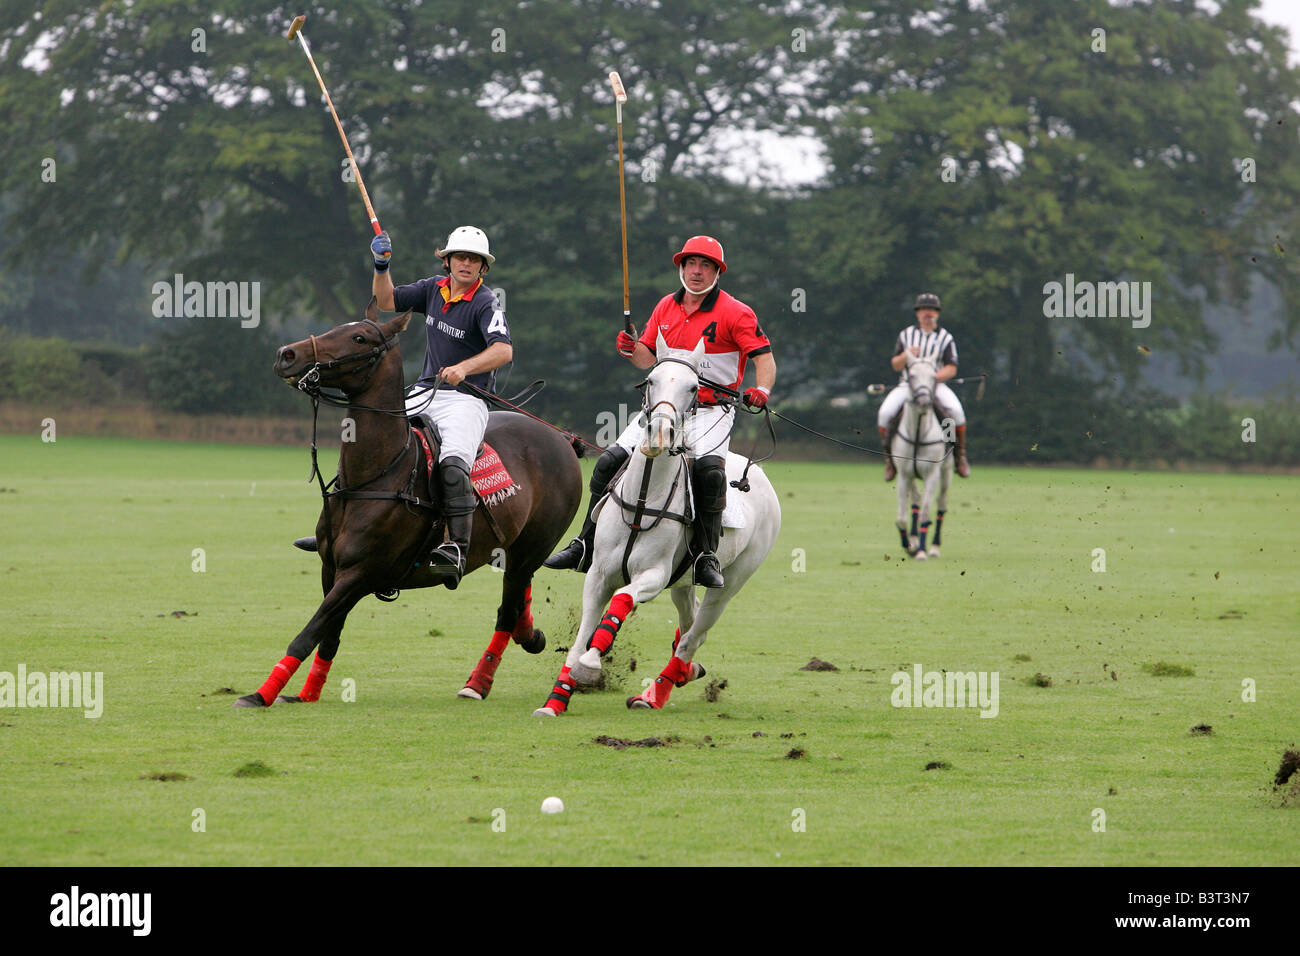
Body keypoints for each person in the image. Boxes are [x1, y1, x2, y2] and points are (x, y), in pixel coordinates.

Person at [545, 235, 775, 588]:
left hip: (711, 411)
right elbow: (648, 361)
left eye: (705, 266)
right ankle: (585, 543)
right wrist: (631, 348)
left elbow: (764, 359)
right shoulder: (665, 306)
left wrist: (762, 389)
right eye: (691, 264)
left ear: (717, 272)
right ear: (681, 268)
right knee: (609, 461)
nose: (697, 272)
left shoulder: (736, 312)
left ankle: (705, 556)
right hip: (663, 407)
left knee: (710, 473)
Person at [370, 226, 513, 587]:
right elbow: (385, 301)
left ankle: (455, 548)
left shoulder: (485, 302)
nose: (466, 264)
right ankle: (350, 528)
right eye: (460, 257)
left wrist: (464, 368)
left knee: (451, 465)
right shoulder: (433, 289)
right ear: (447, 259)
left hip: (466, 400)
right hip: (424, 390)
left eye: (474, 259)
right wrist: (381, 266)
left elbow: (503, 350)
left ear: (483, 268)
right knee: (373, 439)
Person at [878, 292, 970, 481]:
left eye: (932, 310)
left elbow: (951, 369)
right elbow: (896, 364)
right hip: (907, 386)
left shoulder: (945, 337)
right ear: (917, 313)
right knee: (885, 414)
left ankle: (959, 456)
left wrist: (929, 379)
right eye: (923, 309)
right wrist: (906, 355)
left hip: (936, 385)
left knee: (956, 412)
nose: (927, 313)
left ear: (937, 313)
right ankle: (889, 460)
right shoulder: (906, 335)